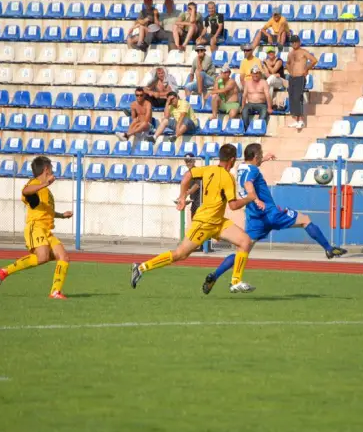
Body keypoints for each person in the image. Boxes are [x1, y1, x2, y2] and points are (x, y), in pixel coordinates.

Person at [202, 144, 347, 294]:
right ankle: (328, 249)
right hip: (270, 213)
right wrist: (256, 199)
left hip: (254, 218)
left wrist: (263, 159)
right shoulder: (253, 170)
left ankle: (215, 275)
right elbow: (248, 183)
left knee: (242, 250)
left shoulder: (240, 167)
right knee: (305, 219)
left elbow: (247, 172)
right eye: (260, 155)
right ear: (255, 157)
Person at [131, 144, 256, 294]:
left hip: (218, 222)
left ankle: (235, 282)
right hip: (204, 223)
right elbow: (234, 205)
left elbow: (187, 176)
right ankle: (140, 268)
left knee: (245, 241)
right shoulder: (228, 177)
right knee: (180, 254)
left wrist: (183, 196)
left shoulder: (208, 169)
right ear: (232, 160)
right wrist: (250, 198)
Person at [0, 156, 72, 300]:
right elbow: (26, 192)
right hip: (35, 227)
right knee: (42, 257)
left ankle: (55, 292)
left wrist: (62, 215)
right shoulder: (35, 184)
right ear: (46, 169)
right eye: (51, 169)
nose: (53, 171)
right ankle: (4, 271)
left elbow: (46, 211)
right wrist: (45, 184)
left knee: (64, 257)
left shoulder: (46, 192)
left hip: (47, 230)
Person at [286, 35, 316, 129]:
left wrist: (306, 69)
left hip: (300, 77)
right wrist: (290, 71)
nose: (294, 43)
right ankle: (296, 120)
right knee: (292, 98)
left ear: (299, 42)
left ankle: (301, 120)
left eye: (296, 42)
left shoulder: (303, 52)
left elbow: (314, 60)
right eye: (292, 42)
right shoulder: (290, 53)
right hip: (292, 77)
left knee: (298, 97)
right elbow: (287, 63)